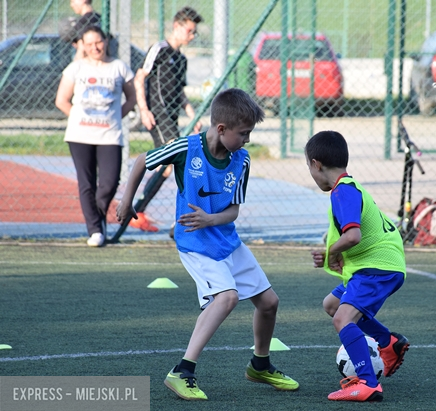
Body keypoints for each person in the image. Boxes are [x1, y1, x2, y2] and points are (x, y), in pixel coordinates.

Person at [115, 88, 299, 400]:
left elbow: (234, 210)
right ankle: (182, 371)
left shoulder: (241, 160)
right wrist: (127, 201)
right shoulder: (187, 148)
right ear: (222, 129)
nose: (247, 140)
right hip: (196, 244)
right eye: (244, 133)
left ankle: (260, 365)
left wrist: (211, 220)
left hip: (226, 241)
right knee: (226, 298)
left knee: (269, 303)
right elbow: (141, 161)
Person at [305, 130, 410, 402]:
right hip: (376, 264)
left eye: (310, 169)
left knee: (342, 319)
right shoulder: (349, 186)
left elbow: (353, 236)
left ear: (316, 164)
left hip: (377, 267)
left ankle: (367, 382)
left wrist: (330, 252)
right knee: (332, 305)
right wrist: (336, 254)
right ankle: (387, 342)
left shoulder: (342, 192)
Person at [55, 26, 136, 247]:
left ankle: (97, 218)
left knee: (109, 183)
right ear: (82, 45)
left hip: (110, 135)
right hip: (80, 135)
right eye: (89, 44)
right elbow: (61, 100)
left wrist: (115, 117)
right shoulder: (75, 68)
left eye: (98, 42)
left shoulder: (119, 67)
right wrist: (78, 117)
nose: (95, 47)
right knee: (86, 183)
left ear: (106, 41)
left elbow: (132, 98)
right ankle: (95, 230)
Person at [129, 6, 203, 233]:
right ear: (177, 26)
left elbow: (180, 92)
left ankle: (137, 211)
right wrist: (144, 110)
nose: (192, 36)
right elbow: (140, 77)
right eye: (189, 30)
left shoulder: (181, 59)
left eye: (194, 32)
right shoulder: (159, 48)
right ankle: (180, 218)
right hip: (158, 115)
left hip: (172, 117)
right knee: (177, 162)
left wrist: (193, 115)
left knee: (167, 165)